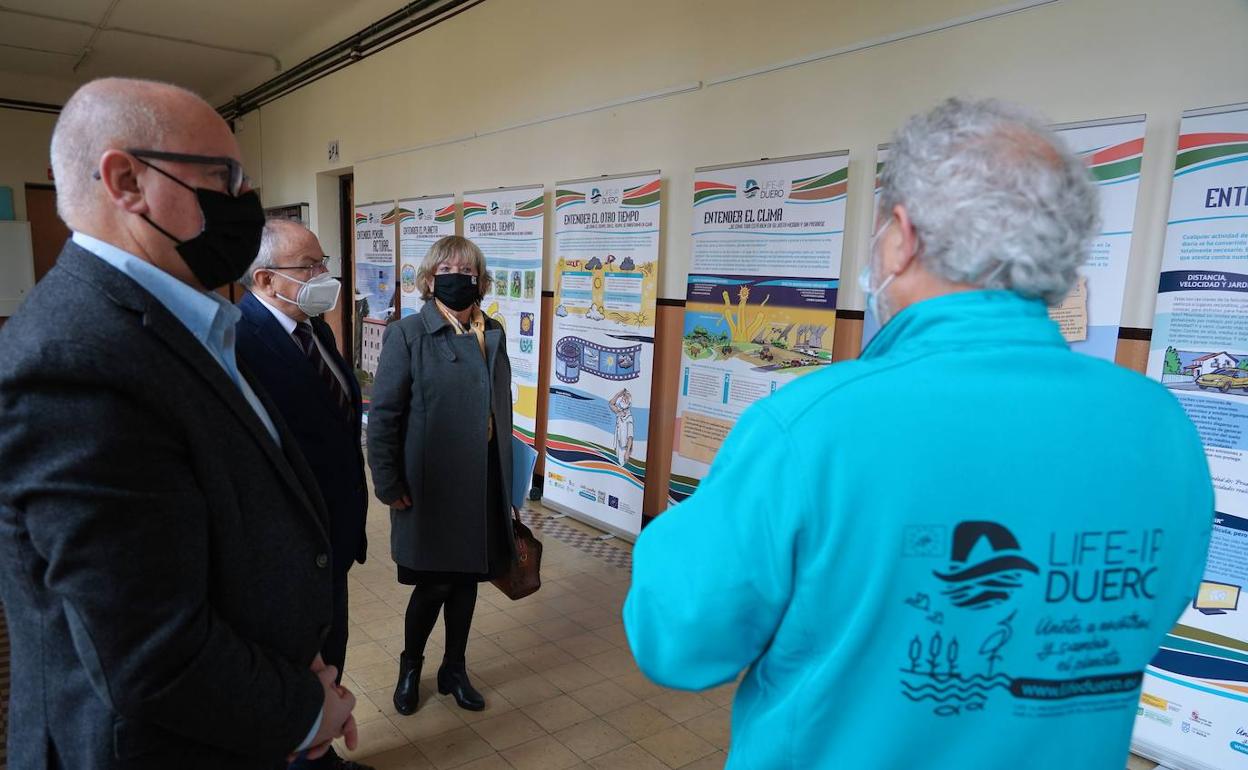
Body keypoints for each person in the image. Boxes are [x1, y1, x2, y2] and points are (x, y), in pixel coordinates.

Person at [624, 97, 1214, 769]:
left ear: (902, 237)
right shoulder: (1160, 425)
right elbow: (1149, 614)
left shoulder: (813, 426)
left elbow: (677, 641)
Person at [0, 78, 357, 769]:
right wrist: (307, 708)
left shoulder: (186, 321)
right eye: (225, 178)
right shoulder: (72, 358)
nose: (244, 205)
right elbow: (147, 648)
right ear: (126, 180)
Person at [236, 219, 372, 770]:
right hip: (288, 544)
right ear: (266, 280)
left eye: (324, 263)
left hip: (332, 531)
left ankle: (323, 752)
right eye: (310, 267)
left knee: (330, 647)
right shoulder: (240, 341)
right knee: (297, 658)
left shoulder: (314, 327)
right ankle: (301, 756)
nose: (324, 276)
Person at [367, 235, 516, 716]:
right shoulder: (407, 333)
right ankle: (411, 666)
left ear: (480, 279)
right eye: (448, 267)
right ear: (430, 279)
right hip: (428, 486)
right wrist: (389, 484)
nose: (458, 274)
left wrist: (508, 486)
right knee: (434, 584)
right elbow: (384, 415)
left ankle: (455, 668)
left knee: (468, 580)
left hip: (482, 481)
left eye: (468, 268)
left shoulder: (491, 330)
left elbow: (502, 412)